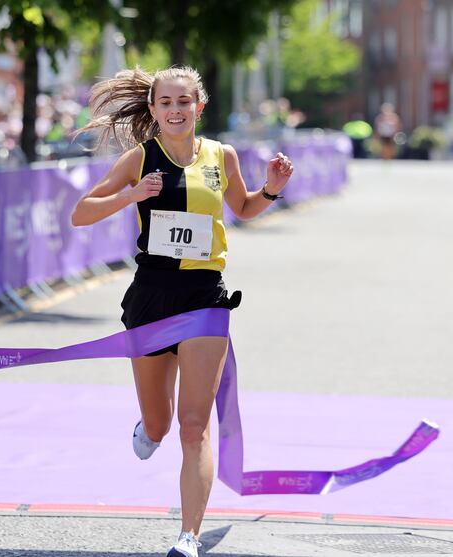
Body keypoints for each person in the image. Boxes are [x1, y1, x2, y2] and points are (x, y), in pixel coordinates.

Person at [70, 66, 294, 557]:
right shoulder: (140, 157)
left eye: (184, 101)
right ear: (153, 110)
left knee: (194, 426)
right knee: (161, 425)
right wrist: (132, 195)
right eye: (166, 102)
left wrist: (271, 189)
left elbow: (243, 207)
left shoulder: (221, 155)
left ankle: (188, 536)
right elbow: (81, 212)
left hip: (204, 297)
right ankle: (149, 428)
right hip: (152, 296)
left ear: (199, 106)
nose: (175, 110)